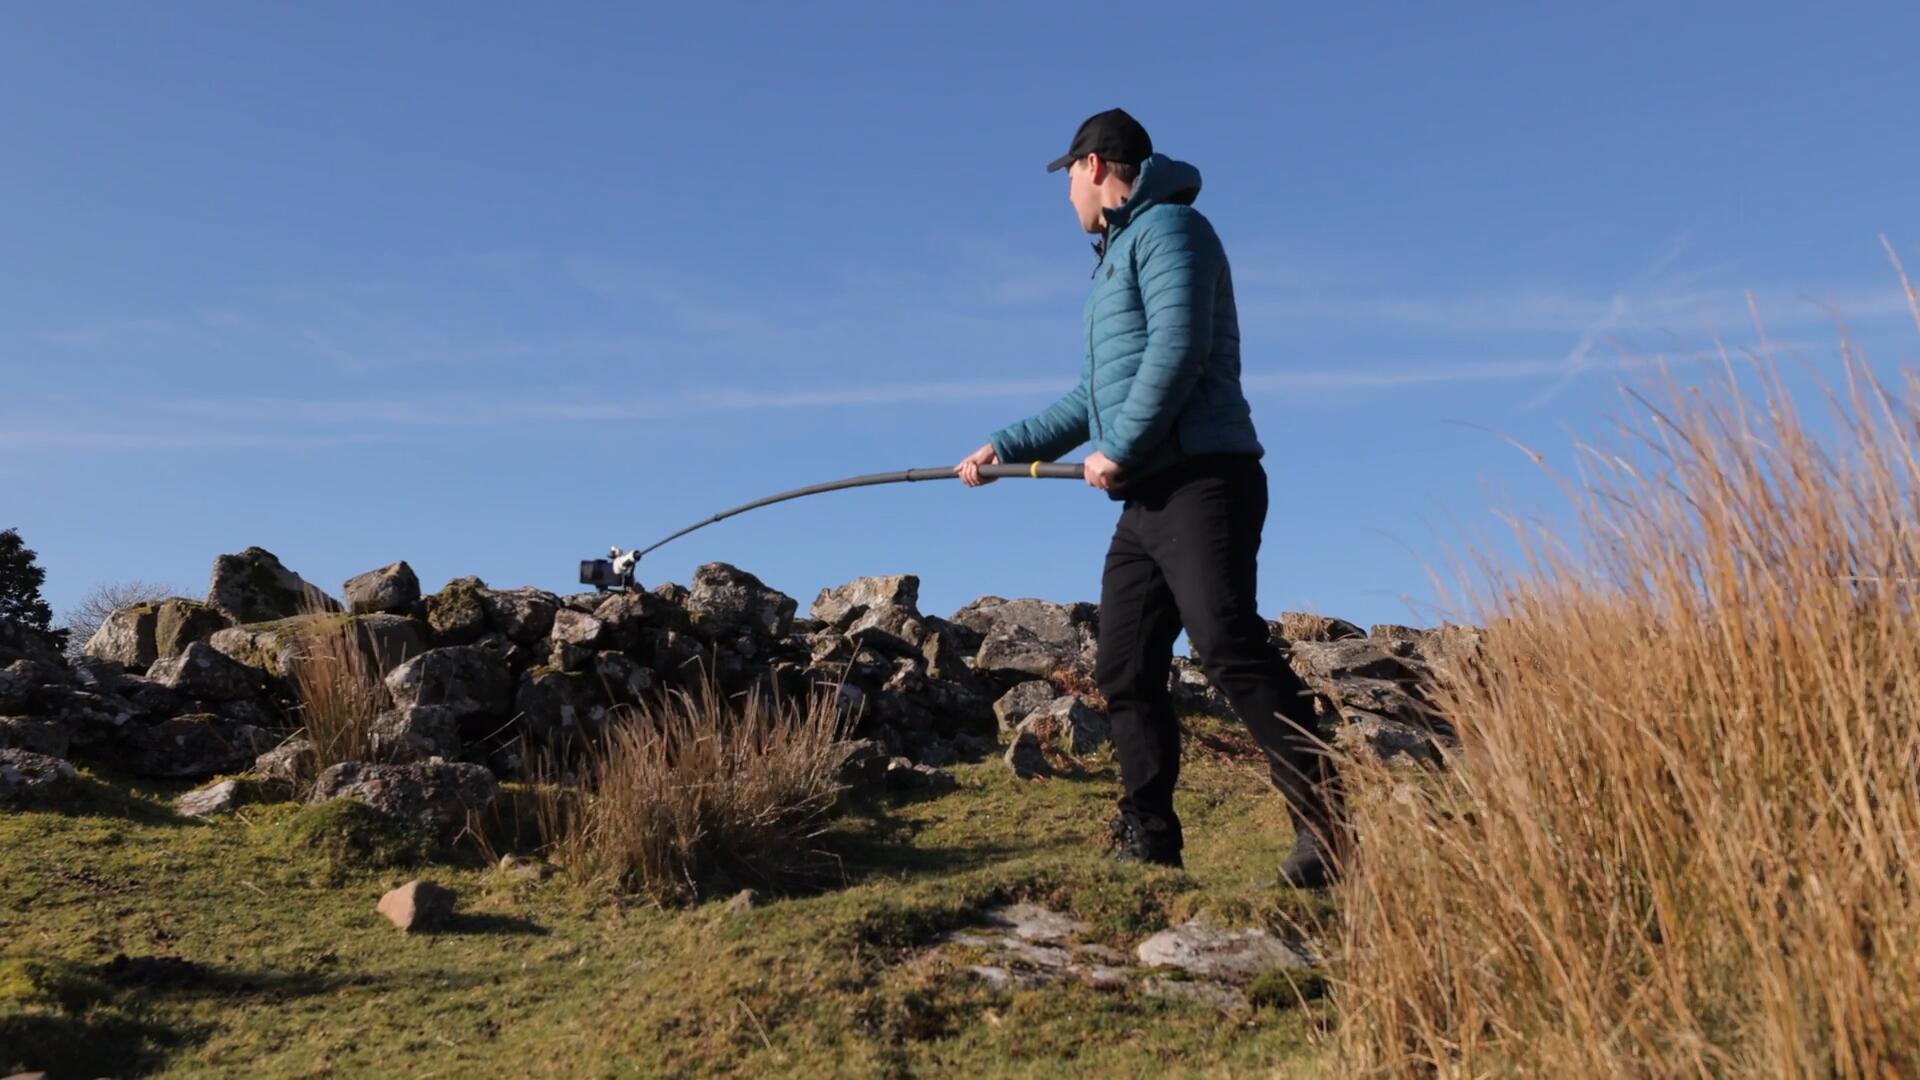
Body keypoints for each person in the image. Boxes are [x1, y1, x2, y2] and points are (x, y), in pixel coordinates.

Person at [955, 108, 1344, 888]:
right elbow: (1091, 398)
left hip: (1205, 482)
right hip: (1146, 501)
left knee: (1229, 646)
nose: (1066, 194)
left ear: (1094, 166)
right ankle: (1150, 840)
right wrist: (1007, 448)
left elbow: (1179, 347)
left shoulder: (1172, 232)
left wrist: (1120, 448)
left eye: (1067, 176)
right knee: (1125, 664)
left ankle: (1328, 833)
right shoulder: (1115, 259)